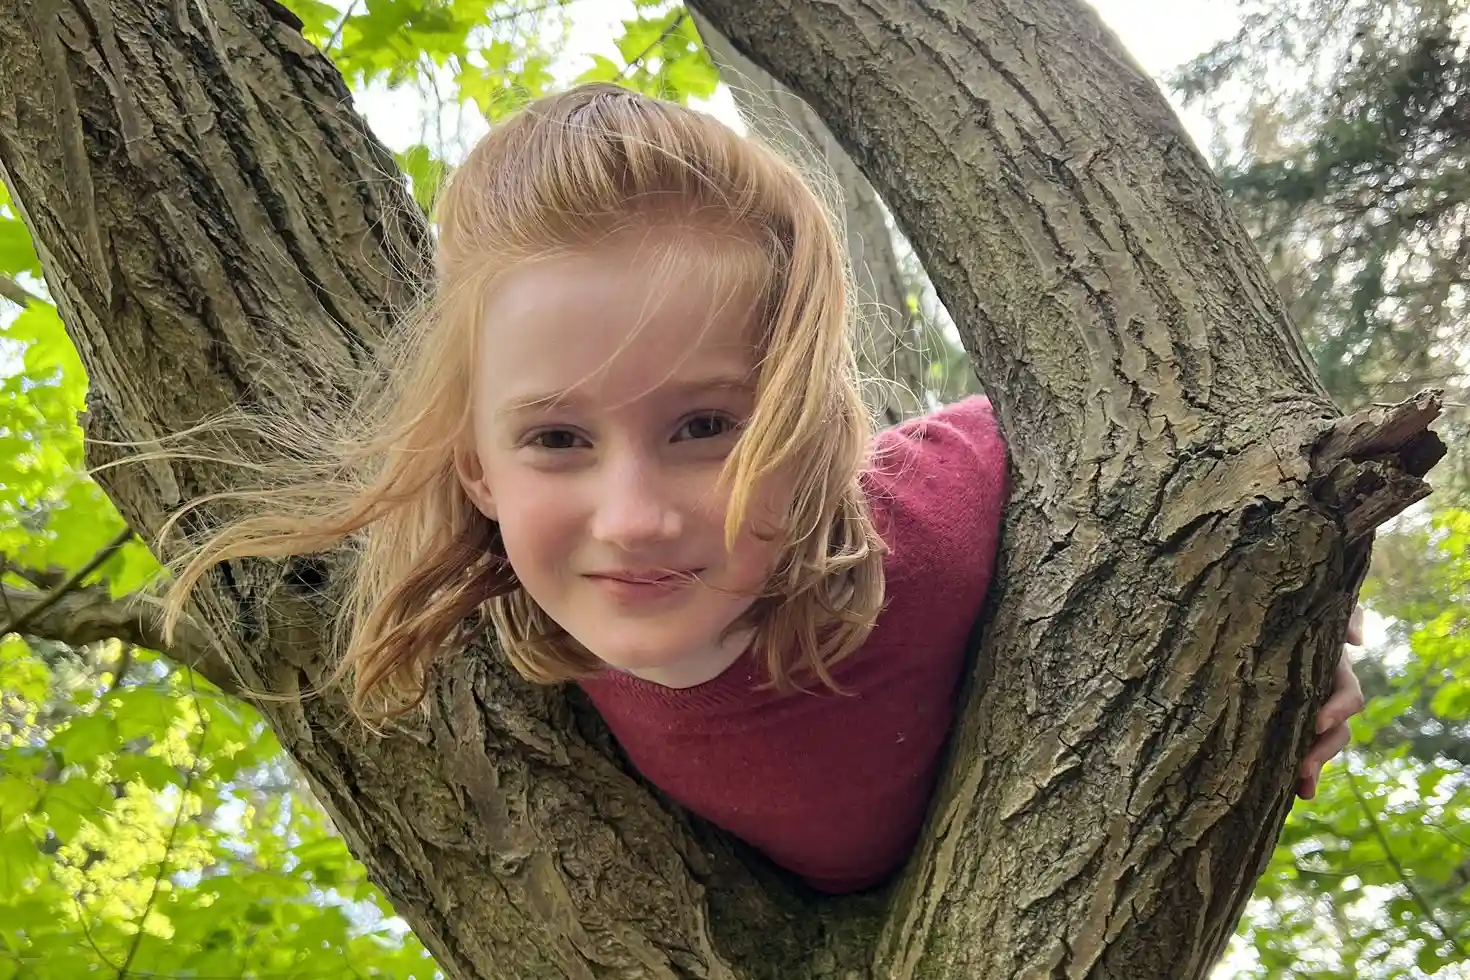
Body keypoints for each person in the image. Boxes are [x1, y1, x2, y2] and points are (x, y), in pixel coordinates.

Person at [160, 84, 1365, 894]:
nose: (634, 517)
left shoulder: (933, 520)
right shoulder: (511, 656)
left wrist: (1294, 629)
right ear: (476, 464)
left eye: (705, 425)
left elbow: (1201, 472)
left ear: (806, 423)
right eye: (559, 440)